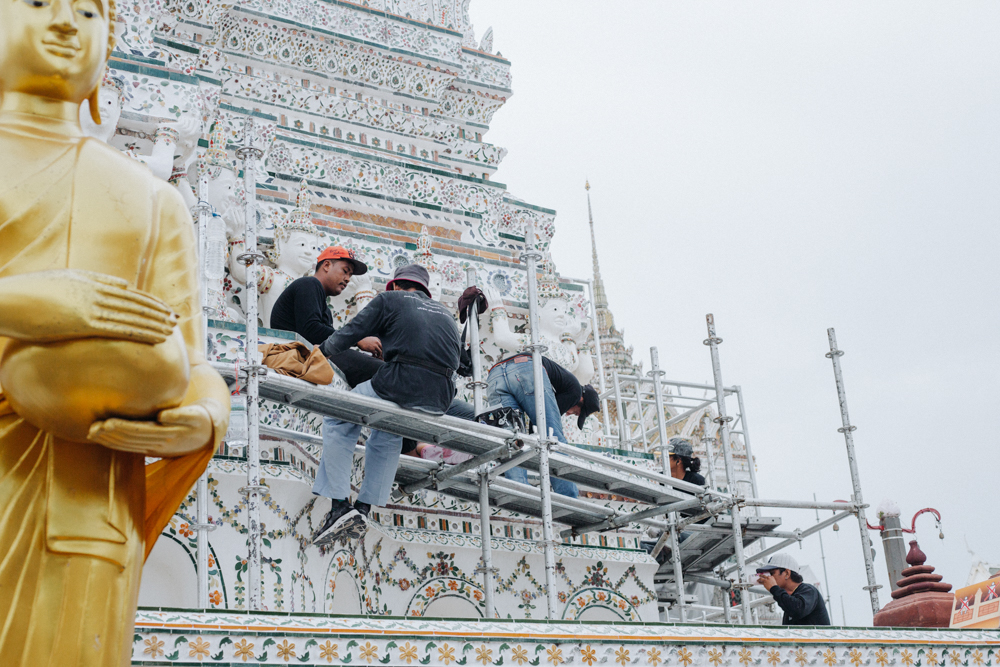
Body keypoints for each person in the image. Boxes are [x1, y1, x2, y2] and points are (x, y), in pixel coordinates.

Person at [0, 1, 231, 663]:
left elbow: (190, 358)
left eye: (89, 11)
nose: (67, 22)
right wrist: (45, 303)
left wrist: (205, 417)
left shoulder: (153, 198)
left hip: (88, 504)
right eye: (38, 3)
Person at [311, 264, 461, 545]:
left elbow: (349, 333)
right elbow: (462, 364)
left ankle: (340, 506)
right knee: (387, 432)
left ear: (395, 286)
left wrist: (315, 356)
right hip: (440, 398)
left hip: (401, 383)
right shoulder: (447, 316)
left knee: (339, 417)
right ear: (425, 291)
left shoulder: (390, 300)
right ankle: (365, 508)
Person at [485, 355, 601, 498]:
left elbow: (533, 427)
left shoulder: (564, 383)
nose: (569, 413)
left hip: (495, 375)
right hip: (526, 369)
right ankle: (569, 497)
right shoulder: (576, 392)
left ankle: (518, 488)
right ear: (581, 400)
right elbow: (544, 427)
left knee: (513, 440)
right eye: (576, 412)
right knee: (553, 439)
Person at [269, 245, 384, 387]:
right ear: (327, 265)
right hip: (298, 356)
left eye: (350, 275)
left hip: (309, 356)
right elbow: (311, 330)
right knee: (384, 371)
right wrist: (357, 339)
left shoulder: (321, 302)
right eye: (345, 271)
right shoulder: (309, 284)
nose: (347, 279)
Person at [756, 554, 832, 626]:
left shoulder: (809, 590)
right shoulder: (789, 601)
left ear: (787, 573)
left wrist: (774, 588)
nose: (769, 577)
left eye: (772, 573)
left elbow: (798, 610)